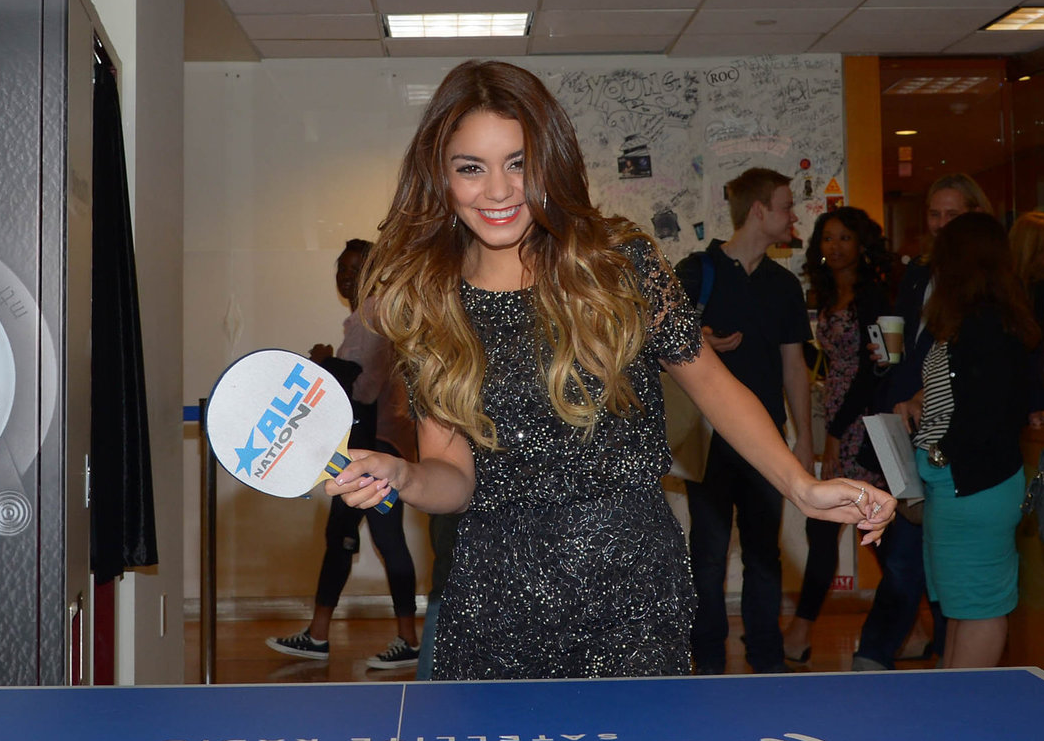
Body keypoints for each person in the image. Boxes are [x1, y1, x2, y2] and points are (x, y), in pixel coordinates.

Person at [327, 61, 894, 682]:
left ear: (552, 162)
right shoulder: (433, 304)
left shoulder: (618, 263)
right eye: (472, 167)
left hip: (632, 598)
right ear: (442, 176)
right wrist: (403, 473)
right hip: (495, 605)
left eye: (518, 162)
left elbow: (713, 386)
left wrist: (801, 486)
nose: (497, 190)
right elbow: (454, 477)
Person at [675, 168, 817, 675]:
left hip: (767, 443)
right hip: (707, 444)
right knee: (708, 559)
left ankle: (767, 662)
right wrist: (700, 341)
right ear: (759, 210)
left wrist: (802, 441)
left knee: (764, 556)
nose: (793, 215)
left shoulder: (783, 285)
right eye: (785, 205)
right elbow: (662, 346)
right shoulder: (696, 271)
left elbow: (794, 367)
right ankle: (708, 662)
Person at [854, 172, 991, 671]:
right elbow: (911, 350)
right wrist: (885, 359)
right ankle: (916, 656)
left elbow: (971, 362)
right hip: (904, 423)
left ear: (975, 214)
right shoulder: (918, 274)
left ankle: (885, 655)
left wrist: (920, 389)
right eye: (934, 214)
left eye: (952, 214)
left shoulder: (982, 283)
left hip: (947, 430)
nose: (940, 224)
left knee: (924, 557)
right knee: (909, 551)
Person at [266, 240, 421, 670]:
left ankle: (407, 639)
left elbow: (362, 388)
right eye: (343, 268)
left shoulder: (372, 313)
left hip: (376, 447)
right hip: (368, 444)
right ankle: (318, 635)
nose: (348, 276)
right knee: (342, 538)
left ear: (375, 270)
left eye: (358, 267)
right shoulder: (367, 313)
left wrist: (322, 361)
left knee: (384, 541)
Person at [911, 214, 1040, 669]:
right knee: (963, 607)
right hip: (965, 484)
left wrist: (941, 456)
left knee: (979, 608)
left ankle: (962, 714)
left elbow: (984, 415)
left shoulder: (985, 326)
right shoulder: (979, 322)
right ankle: (954, 706)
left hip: (972, 484)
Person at [783, 206, 891, 666]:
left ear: (862, 243)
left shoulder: (875, 296)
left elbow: (872, 372)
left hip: (862, 425)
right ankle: (915, 627)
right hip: (839, 418)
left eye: (845, 237)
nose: (835, 246)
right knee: (866, 530)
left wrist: (836, 429)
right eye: (828, 238)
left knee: (857, 527)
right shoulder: (827, 293)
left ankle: (800, 631)